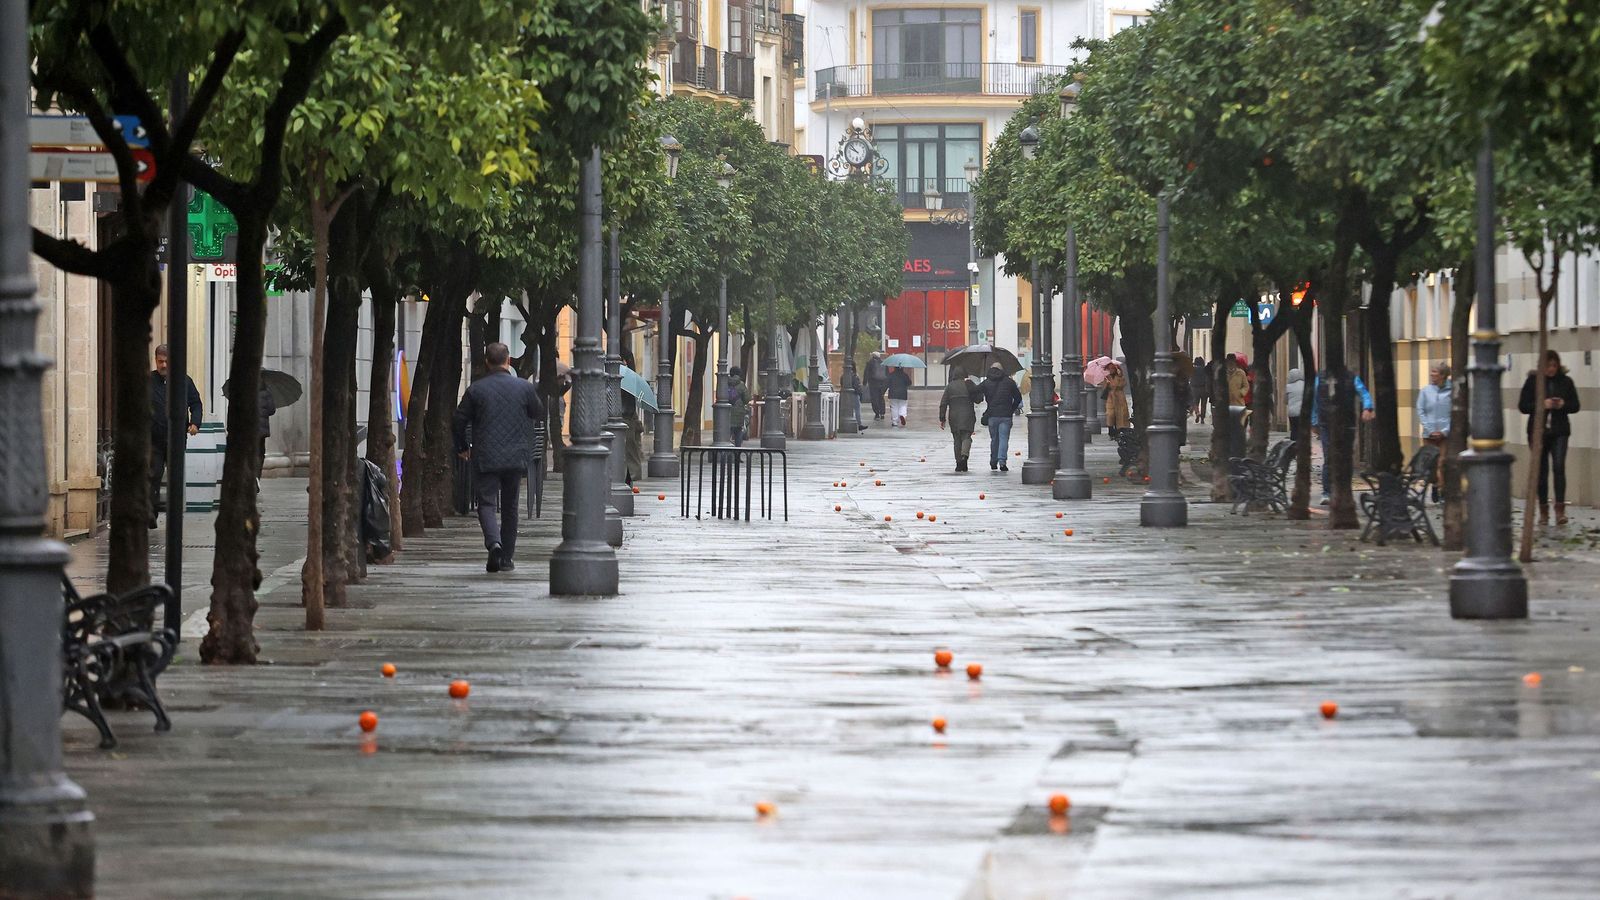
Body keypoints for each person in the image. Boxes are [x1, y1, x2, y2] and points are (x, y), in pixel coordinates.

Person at [453, 342, 545, 573]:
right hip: (515, 456)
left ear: (486, 362)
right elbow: (538, 412)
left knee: (486, 503)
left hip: (485, 455)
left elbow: (458, 420)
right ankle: (507, 559)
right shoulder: (523, 388)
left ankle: (494, 543)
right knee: (510, 506)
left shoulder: (476, 389)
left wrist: (463, 446)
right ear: (509, 360)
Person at [1518, 350, 1581, 526]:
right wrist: (1541, 405)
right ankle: (1543, 510)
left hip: (1560, 430)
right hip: (1538, 431)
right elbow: (1523, 406)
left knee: (1559, 466)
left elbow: (1576, 405)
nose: (1551, 369)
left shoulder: (1566, 382)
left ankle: (1560, 510)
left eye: (1554, 365)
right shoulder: (1533, 382)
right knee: (1542, 470)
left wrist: (1563, 405)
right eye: (1548, 366)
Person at [149, 343, 202, 528]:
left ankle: (174, 516)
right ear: (155, 361)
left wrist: (195, 423)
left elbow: (196, 403)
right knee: (153, 475)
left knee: (175, 478)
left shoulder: (184, 381)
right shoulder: (149, 380)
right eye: (160, 361)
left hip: (176, 439)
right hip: (153, 439)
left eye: (166, 362)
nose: (163, 365)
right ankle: (150, 512)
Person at [1311, 368, 1375, 506]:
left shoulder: (1350, 377)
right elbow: (1314, 400)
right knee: (1329, 457)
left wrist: (1368, 408)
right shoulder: (1320, 378)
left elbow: (1363, 392)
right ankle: (1327, 492)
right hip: (1326, 423)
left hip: (1345, 423)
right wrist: (1314, 421)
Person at [979, 364, 1024, 472]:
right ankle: (1002, 462)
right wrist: (1011, 409)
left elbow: (976, 391)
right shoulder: (1009, 382)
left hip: (992, 415)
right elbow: (1018, 398)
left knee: (994, 439)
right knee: (1004, 439)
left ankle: (993, 462)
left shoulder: (987, 382)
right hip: (1006, 416)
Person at [938, 374, 981, 472]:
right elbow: (978, 399)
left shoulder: (950, 386)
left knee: (957, 440)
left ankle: (958, 463)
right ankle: (964, 456)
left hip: (954, 417)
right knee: (966, 437)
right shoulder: (969, 384)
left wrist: (942, 418)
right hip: (968, 416)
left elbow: (943, 403)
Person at [1416, 364, 1452, 443]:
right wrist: (1430, 430)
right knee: (1428, 455)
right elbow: (1420, 411)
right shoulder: (1425, 391)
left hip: (1446, 435)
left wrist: (1444, 431)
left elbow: (1455, 414)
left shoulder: (1452, 390)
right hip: (1428, 435)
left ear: (1442, 375)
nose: (1431, 374)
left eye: (1434, 372)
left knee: (1443, 455)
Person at [724, 366, 752, 446]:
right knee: (738, 432)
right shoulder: (741, 384)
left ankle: (725, 454)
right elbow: (747, 399)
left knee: (726, 434)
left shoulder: (725, 383)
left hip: (726, 413)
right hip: (739, 413)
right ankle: (737, 453)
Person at [1102, 361, 1130, 435]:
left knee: (1121, 413)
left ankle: (1121, 429)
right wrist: (1107, 385)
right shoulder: (1107, 377)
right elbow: (1104, 387)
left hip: (1119, 397)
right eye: (1109, 368)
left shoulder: (1120, 376)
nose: (1111, 370)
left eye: (1112, 368)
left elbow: (1123, 384)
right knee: (1110, 413)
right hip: (1110, 397)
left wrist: (1120, 377)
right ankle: (1111, 430)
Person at [1285, 367, 1307, 445]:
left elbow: (1285, 401)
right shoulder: (1305, 385)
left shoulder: (1288, 387)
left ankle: (1293, 446)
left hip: (1292, 413)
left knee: (1294, 430)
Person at [864, 351, 888, 421]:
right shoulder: (884, 363)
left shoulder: (870, 363)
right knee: (881, 398)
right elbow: (887, 374)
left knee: (874, 398)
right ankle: (882, 413)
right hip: (882, 384)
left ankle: (877, 414)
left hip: (873, 383)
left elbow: (866, 373)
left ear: (873, 356)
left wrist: (864, 382)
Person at [1190, 356, 1211, 424]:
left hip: (1194, 388)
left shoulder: (1192, 369)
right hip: (1203, 388)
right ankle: (1202, 418)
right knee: (1203, 403)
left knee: (1195, 402)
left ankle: (1197, 413)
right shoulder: (1205, 369)